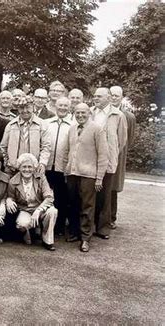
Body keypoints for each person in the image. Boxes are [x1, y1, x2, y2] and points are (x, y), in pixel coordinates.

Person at [63, 103, 108, 252]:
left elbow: (103, 155)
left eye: (83, 113)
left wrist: (99, 178)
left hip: (88, 175)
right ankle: (75, 233)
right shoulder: (72, 129)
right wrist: (66, 170)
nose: (80, 115)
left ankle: (85, 238)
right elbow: (66, 151)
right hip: (72, 174)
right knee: (73, 204)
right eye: (77, 113)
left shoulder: (97, 129)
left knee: (87, 207)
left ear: (89, 113)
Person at [91, 87, 127, 239]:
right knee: (89, 195)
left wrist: (110, 155)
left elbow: (122, 140)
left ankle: (103, 228)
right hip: (90, 160)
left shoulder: (118, 115)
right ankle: (88, 226)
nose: (96, 98)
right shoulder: (90, 112)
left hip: (108, 162)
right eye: (94, 96)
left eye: (99, 96)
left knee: (105, 196)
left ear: (107, 98)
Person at [6, 153, 57, 251]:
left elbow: (49, 197)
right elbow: (10, 196)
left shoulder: (41, 178)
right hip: (25, 209)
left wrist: (38, 210)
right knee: (21, 224)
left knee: (53, 211)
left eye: (30, 167)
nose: (27, 169)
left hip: (40, 208)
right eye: (24, 167)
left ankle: (47, 240)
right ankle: (30, 230)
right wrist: (9, 200)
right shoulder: (13, 181)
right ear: (19, 168)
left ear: (34, 168)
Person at [0, 96, 51, 177]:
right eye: (21, 108)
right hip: (13, 170)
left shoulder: (42, 125)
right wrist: (7, 163)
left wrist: (42, 163)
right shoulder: (11, 125)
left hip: (34, 169)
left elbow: (46, 147)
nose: (25, 111)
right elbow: (3, 146)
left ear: (33, 107)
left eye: (28, 107)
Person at [45, 97, 73, 235]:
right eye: (60, 105)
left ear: (69, 107)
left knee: (62, 197)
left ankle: (59, 227)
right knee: (47, 195)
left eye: (65, 106)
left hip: (64, 167)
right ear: (55, 106)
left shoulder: (73, 125)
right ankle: (44, 225)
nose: (62, 108)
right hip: (47, 166)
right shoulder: (47, 123)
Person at [109, 86, 136, 229]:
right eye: (111, 95)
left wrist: (119, 150)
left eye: (116, 95)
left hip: (118, 155)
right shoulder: (103, 112)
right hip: (102, 154)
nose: (114, 98)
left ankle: (111, 218)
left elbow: (129, 139)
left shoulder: (129, 116)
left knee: (113, 187)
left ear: (121, 97)